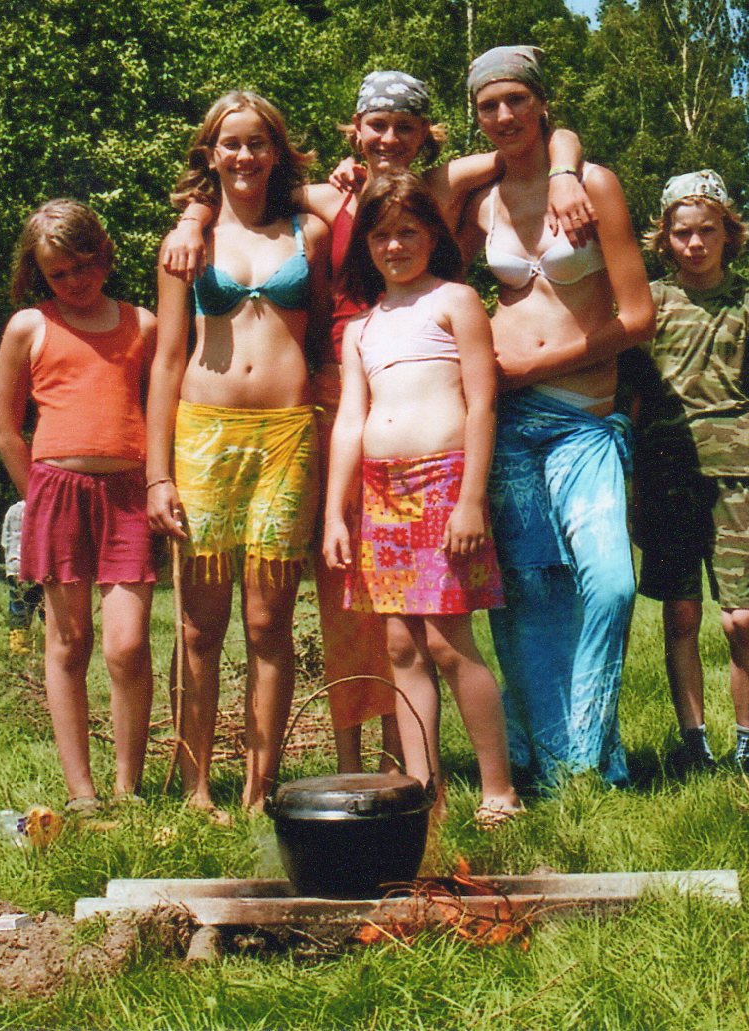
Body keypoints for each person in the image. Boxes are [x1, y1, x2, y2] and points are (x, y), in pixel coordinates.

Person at [161, 71, 593, 775]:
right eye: (377, 124)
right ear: (355, 129)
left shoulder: (443, 185)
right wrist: (190, 218)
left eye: (405, 126)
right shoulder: (325, 197)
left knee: (427, 616)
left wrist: (567, 170)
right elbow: (239, 182)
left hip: (423, 405)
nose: (390, 138)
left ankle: (408, 763)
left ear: (427, 134)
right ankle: (352, 762)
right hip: (341, 395)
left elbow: (536, 140)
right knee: (354, 602)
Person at [460, 46, 655, 790]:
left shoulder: (592, 184)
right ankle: (549, 764)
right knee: (530, 594)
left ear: (542, 102)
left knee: (609, 583)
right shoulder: (483, 198)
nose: (504, 115)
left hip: (581, 418)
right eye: (488, 105)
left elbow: (637, 318)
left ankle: (590, 743)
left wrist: (567, 165)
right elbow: (414, 202)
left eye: (516, 99)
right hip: (509, 422)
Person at [146, 91, 331, 813]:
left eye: (258, 142)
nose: (244, 156)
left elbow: (325, 334)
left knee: (267, 624)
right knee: (199, 624)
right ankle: (196, 787)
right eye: (231, 143)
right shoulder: (185, 246)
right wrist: (157, 474)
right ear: (210, 153)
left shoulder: (309, 233)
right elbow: (166, 360)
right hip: (204, 435)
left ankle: (260, 789)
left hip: (287, 435)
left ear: (276, 151)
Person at [323, 172, 523, 828]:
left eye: (408, 231)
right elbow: (350, 420)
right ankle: (423, 790)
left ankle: (498, 789)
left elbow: (482, 403)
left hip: (443, 484)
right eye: (380, 234)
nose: (394, 245)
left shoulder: (455, 301)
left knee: (448, 642)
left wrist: (470, 500)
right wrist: (335, 512)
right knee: (402, 648)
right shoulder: (361, 328)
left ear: (432, 235)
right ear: (365, 245)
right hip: (380, 495)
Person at [0, 198, 158, 813]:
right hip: (56, 492)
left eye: (83, 266)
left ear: (104, 256)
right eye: (57, 274)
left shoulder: (144, 325)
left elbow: (162, 409)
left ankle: (127, 787)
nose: (74, 281)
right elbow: (6, 430)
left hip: (129, 496)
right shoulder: (29, 327)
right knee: (68, 641)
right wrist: (36, 500)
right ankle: (82, 792)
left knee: (127, 645)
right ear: (39, 275)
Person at [617, 170, 749, 777]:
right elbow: (630, 402)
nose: (695, 243)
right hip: (666, 475)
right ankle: (694, 746)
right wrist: (632, 490)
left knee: (741, 618)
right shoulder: (650, 303)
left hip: (737, 479)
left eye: (707, 230)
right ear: (665, 237)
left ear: (727, 232)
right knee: (681, 613)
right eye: (682, 232)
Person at [0, 499, 44, 656]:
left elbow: (4, 542)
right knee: (47, 609)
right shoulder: (44, 508)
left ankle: (19, 649)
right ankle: (52, 646)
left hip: (15, 569)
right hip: (40, 569)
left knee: (18, 608)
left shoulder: (13, 510)